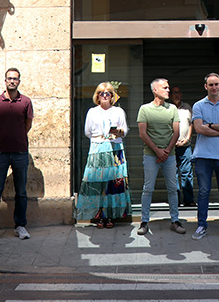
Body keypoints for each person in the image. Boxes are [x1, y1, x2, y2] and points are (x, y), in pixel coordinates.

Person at [0, 68, 34, 243]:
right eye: (9, 78)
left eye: (15, 79)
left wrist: (16, 136)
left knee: (21, 192)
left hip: (20, 152)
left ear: (19, 81)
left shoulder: (25, 101)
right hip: (1, 152)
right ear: (5, 80)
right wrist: (3, 135)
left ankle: (20, 226)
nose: (12, 81)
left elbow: (27, 125)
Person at [191, 72, 219, 241]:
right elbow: (199, 129)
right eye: (210, 85)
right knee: (203, 192)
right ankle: (201, 225)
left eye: (216, 84)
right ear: (206, 87)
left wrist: (209, 125)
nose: (214, 87)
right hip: (203, 155)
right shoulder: (198, 106)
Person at [76, 82, 130, 228]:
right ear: (97, 96)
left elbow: (125, 129)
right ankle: (98, 216)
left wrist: (118, 132)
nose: (105, 96)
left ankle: (111, 216)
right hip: (98, 148)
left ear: (112, 96)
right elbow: (88, 132)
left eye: (108, 93)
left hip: (115, 148)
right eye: (102, 93)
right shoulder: (92, 111)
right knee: (97, 183)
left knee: (113, 184)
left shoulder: (119, 111)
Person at [136, 78, 184, 235]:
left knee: (173, 188)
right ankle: (144, 221)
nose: (168, 90)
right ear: (155, 90)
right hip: (151, 156)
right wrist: (158, 151)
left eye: (168, 87)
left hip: (169, 156)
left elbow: (176, 132)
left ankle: (175, 220)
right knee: (148, 188)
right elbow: (143, 133)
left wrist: (166, 151)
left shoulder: (172, 109)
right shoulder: (144, 109)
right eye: (165, 87)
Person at [171, 86, 195, 207]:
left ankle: (188, 200)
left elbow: (191, 124)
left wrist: (187, 139)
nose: (177, 95)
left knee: (187, 173)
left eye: (178, 92)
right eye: (174, 93)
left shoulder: (187, 107)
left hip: (185, 145)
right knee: (172, 174)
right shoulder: (167, 108)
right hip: (171, 146)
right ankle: (175, 200)